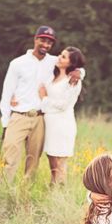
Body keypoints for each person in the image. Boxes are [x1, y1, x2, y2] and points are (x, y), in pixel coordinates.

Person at [0, 25, 82, 183]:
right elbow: (6, 93)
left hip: (40, 118)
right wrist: (5, 122)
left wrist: (80, 73)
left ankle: (25, 195)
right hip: (19, 116)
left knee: (33, 162)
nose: (45, 44)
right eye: (42, 40)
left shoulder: (54, 62)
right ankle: (2, 191)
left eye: (49, 42)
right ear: (35, 39)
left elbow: (75, 64)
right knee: (9, 158)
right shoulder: (17, 63)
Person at [38, 46, 85, 184]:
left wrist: (44, 98)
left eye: (63, 56)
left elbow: (64, 104)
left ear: (71, 63)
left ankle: (61, 191)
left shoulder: (73, 81)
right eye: (60, 54)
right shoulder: (54, 76)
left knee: (60, 162)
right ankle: (53, 188)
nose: (59, 57)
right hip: (50, 124)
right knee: (51, 160)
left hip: (62, 124)